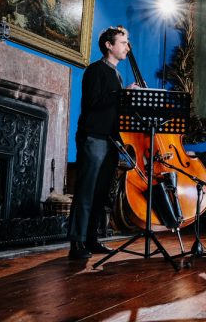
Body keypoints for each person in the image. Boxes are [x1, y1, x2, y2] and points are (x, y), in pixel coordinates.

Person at [67, 26, 140, 259]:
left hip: (110, 142)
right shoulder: (95, 70)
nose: (127, 47)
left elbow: (113, 109)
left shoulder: (117, 75)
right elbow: (94, 102)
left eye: (127, 42)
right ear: (109, 45)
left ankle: (92, 239)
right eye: (123, 42)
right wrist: (122, 95)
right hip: (94, 138)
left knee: (100, 194)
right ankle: (76, 243)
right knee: (86, 192)